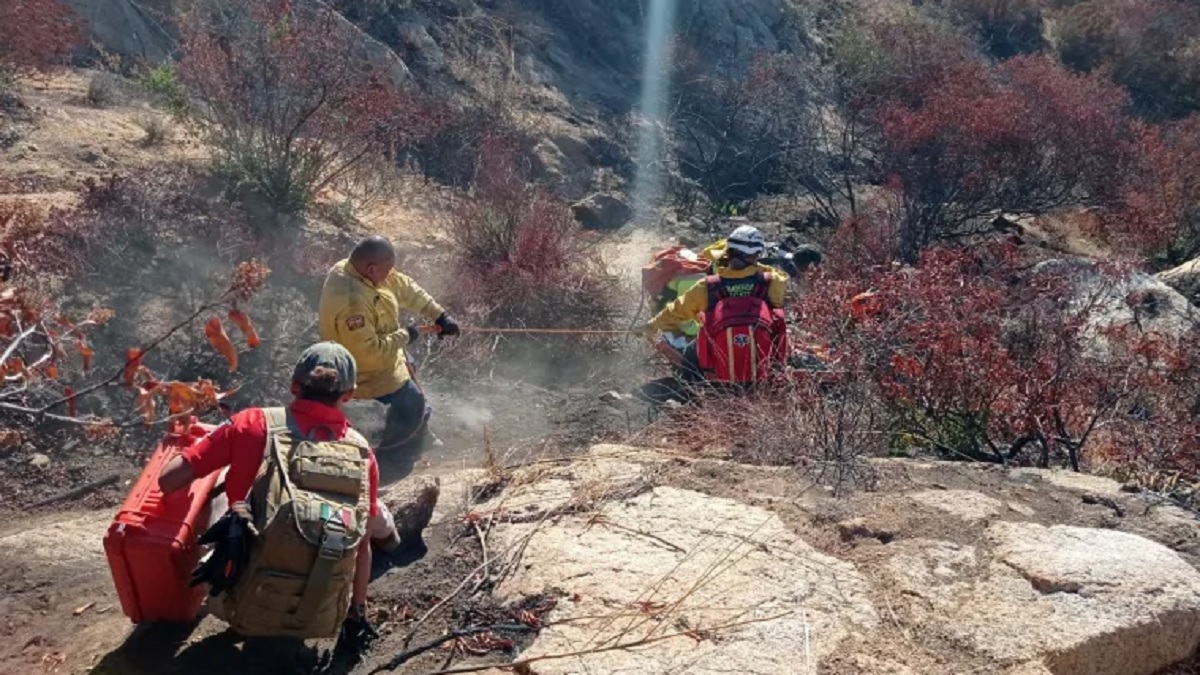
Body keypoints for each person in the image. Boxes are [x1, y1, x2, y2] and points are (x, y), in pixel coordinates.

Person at [158, 342, 396, 656]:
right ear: (348, 395)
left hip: (234, 601)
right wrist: (356, 613)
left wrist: (213, 442)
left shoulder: (251, 422)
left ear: (294, 385)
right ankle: (393, 543)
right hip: (319, 615)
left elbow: (168, 480)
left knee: (221, 491)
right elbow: (361, 547)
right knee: (369, 516)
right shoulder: (361, 451)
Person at [318, 236, 460, 475]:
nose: (391, 273)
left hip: (385, 354)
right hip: (361, 370)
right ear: (371, 268)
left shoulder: (366, 272)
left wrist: (439, 315)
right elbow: (368, 354)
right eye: (387, 269)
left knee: (410, 370)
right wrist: (408, 335)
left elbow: (404, 287)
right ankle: (392, 461)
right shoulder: (351, 301)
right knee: (411, 400)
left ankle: (419, 435)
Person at [642, 225, 790, 395]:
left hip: (717, 372)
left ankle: (692, 396)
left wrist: (650, 326)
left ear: (727, 253)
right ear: (757, 255)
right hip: (762, 370)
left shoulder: (707, 286)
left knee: (689, 356)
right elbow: (779, 294)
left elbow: (676, 312)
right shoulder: (773, 281)